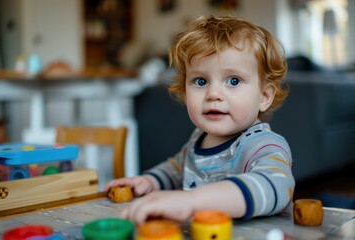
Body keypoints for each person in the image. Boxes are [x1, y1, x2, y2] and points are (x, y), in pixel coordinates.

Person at [105, 14, 295, 225]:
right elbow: (177, 169)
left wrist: (192, 201)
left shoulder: (263, 145)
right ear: (185, 93)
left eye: (233, 81)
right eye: (201, 81)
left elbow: (276, 186)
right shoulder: (199, 138)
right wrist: (149, 181)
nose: (213, 93)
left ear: (264, 96)